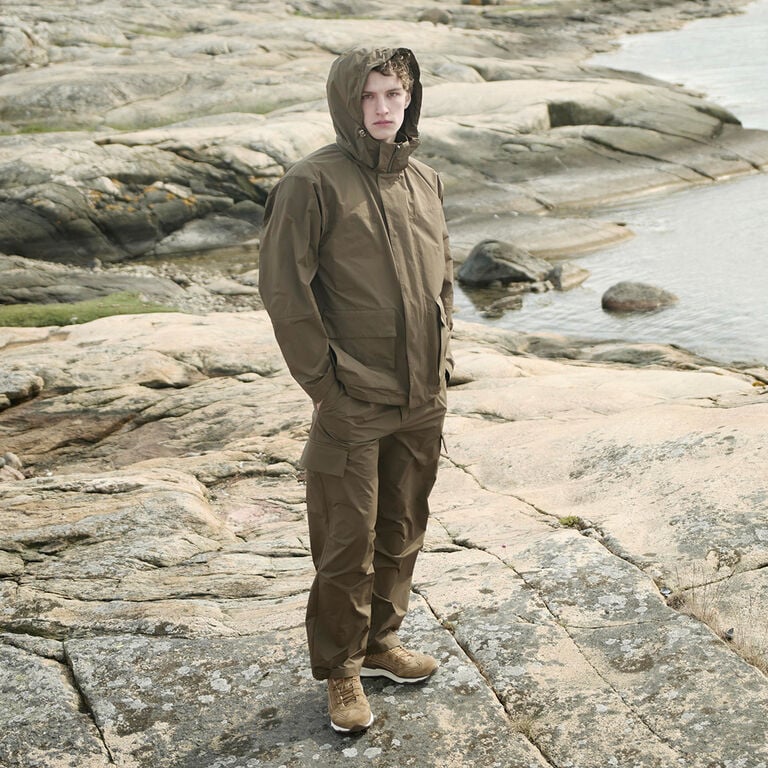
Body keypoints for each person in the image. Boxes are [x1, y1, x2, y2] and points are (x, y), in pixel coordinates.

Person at [258, 46, 454, 734]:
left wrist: (442, 361)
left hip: (421, 396)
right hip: (353, 398)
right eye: (368, 96)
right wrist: (327, 387)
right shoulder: (310, 182)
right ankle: (340, 669)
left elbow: (442, 279)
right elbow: (285, 293)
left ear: (410, 98)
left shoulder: (424, 178)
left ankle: (379, 644)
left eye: (394, 94)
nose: (382, 108)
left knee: (403, 527)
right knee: (348, 539)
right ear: (347, 101)